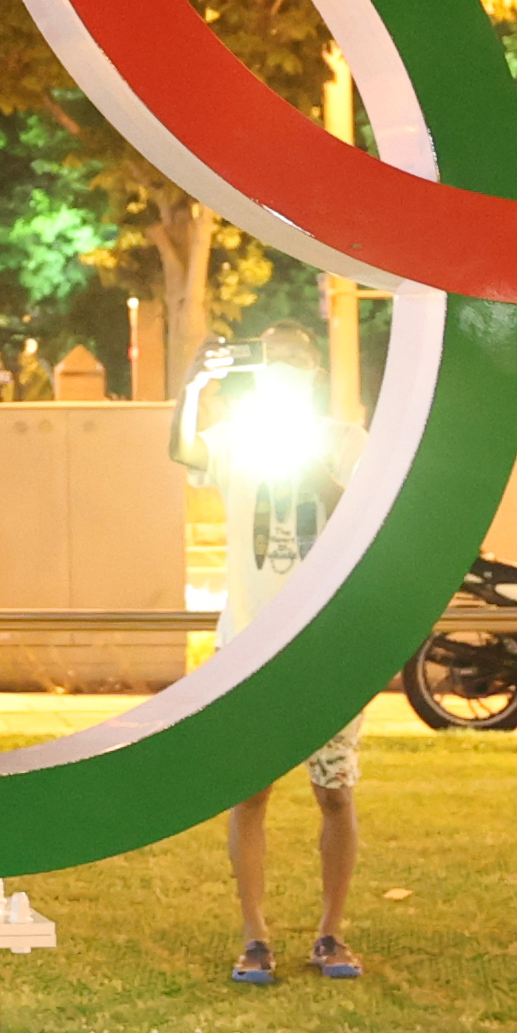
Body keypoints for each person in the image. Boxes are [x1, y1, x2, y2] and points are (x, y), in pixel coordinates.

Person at [175, 361, 367, 984]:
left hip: (331, 646)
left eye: (294, 359)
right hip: (248, 644)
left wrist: (317, 471)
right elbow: (181, 449)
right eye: (271, 361)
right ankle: (255, 936)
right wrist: (192, 388)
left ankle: (331, 932)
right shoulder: (236, 438)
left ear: (314, 369)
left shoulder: (343, 439)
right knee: (249, 792)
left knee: (334, 792)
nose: (282, 372)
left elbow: (366, 516)